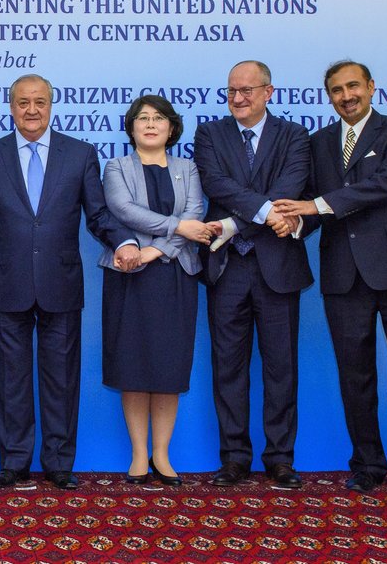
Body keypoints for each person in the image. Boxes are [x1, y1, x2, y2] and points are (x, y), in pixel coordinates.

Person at [0, 73, 140, 490]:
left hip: (61, 281)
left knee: (62, 378)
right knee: (10, 379)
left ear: (51, 105)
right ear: (11, 107)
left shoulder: (80, 154)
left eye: (39, 102)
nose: (31, 110)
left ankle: (59, 463)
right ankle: (13, 462)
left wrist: (123, 241)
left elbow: (98, 214)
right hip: (9, 282)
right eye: (23, 102)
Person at [273, 60, 387, 494]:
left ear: (371, 87)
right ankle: (367, 464)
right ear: (328, 97)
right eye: (337, 90)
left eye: (353, 86)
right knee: (355, 375)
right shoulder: (317, 142)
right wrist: (294, 223)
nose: (346, 96)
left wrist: (314, 206)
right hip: (343, 273)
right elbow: (310, 204)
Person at [193, 60, 312, 489]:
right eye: (231, 91)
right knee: (228, 367)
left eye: (246, 90)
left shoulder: (295, 135)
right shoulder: (210, 134)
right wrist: (263, 212)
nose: (238, 98)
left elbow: (290, 188)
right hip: (227, 268)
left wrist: (232, 223)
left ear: (268, 92)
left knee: (282, 367)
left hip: (277, 267)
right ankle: (234, 458)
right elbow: (217, 184)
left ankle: (280, 458)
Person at [100, 95, 219, 487]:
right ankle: (139, 455)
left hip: (175, 276)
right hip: (129, 277)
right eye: (143, 118)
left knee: (168, 369)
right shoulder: (116, 167)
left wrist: (156, 250)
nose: (150, 125)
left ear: (171, 128)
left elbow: (195, 216)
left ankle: (162, 455)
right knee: (133, 367)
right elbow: (124, 210)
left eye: (158, 119)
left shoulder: (188, 168)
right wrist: (176, 228)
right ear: (132, 127)